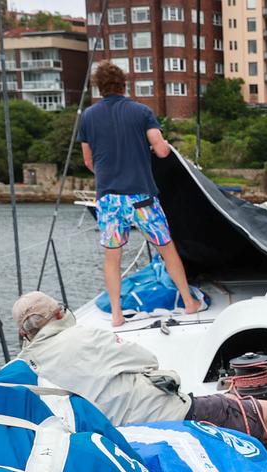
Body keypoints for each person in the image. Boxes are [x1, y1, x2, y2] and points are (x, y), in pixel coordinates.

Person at [12, 291, 267, 472]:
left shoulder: (20, 370)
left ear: (24, 334)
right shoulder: (88, 337)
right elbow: (146, 361)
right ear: (60, 314)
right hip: (168, 416)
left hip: (106, 446)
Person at [79, 61, 200, 327]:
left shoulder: (87, 116)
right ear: (124, 85)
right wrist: (158, 145)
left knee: (113, 258)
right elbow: (162, 151)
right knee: (167, 249)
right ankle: (189, 304)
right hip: (141, 198)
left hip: (109, 199)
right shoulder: (141, 112)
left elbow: (88, 161)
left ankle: (116, 315)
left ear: (100, 88)